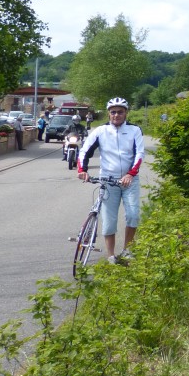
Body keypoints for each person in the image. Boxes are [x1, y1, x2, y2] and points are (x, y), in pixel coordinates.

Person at [76, 97, 145, 263]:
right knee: (109, 220)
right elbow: (84, 151)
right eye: (113, 112)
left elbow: (139, 154)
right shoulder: (100, 131)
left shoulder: (135, 130)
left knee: (133, 215)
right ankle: (111, 255)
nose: (116, 115)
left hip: (130, 180)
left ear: (126, 113)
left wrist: (130, 174)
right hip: (108, 180)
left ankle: (127, 250)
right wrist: (82, 170)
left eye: (120, 112)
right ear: (109, 113)